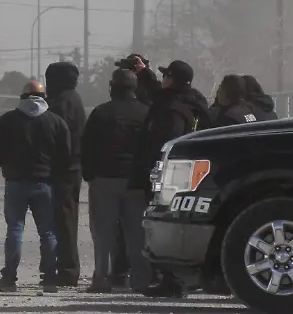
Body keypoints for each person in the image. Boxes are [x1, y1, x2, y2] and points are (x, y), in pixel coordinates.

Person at [131, 59, 211, 298]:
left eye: (166, 76)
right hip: (191, 173)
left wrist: (150, 167)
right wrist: (143, 73)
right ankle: (177, 278)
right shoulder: (195, 101)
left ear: (173, 81)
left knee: (164, 225)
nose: (162, 79)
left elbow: (164, 141)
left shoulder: (171, 109)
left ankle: (171, 280)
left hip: (168, 174)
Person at [0, 79, 70, 294]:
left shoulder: (8, 120)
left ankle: (10, 279)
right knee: (48, 232)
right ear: (44, 97)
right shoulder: (56, 121)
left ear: (22, 97)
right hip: (45, 183)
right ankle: (50, 279)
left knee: (15, 230)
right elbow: (66, 154)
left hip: (16, 182)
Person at [81, 69, 150, 293]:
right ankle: (140, 281)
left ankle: (101, 279)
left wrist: (89, 174)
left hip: (104, 180)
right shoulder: (146, 113)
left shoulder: (101, 113)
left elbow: (86, 145)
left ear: (112, 87)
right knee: (137, 235)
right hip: (137, 182)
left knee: (103, 234)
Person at [44, 61, 86, 288]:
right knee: (65, 219)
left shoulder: (61, 103)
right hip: (72, 168)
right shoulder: (73, 99)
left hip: (63, 171)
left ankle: (68, 271)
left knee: (64, 220)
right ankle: (65, 268)